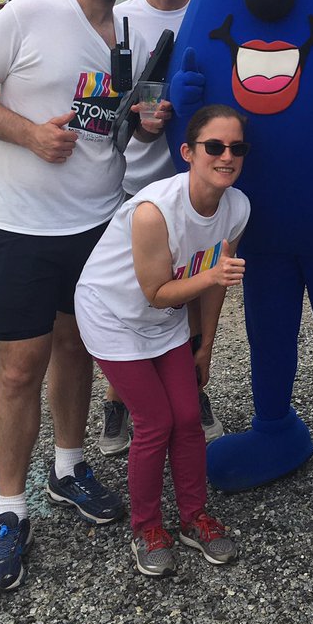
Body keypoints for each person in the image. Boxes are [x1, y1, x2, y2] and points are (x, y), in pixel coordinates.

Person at [0, 0, 150, 594]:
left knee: (77, 350)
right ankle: (10, 512)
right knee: (17, 369)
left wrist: (145, 122)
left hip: (95, 224)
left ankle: (67, 468)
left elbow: (114, 131)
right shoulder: (27, 15)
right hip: (22, 225)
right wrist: (30, 134)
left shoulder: (127, 33)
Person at [75, 104, 250, 577]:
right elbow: (155, 292)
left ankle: (194, 517)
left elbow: (215, 284)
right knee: (155, 422)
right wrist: (214, 275)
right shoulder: (155, 211)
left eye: (237, 147)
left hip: (167, 314)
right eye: (214, 146)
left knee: (189, 415)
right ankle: (147, 527)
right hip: (112, 312)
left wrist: (205, 344)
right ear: (188, 152)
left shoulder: (236, 207)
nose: (226, 156)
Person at [97, 0, 224, 454]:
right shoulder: (116, 19)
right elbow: (99, 101)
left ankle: (195, 385)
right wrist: (135, 120)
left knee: (196, 287)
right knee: (135, 295)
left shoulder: (210, 13)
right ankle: (119, 399)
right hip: (135, 183)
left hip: (194, 184)